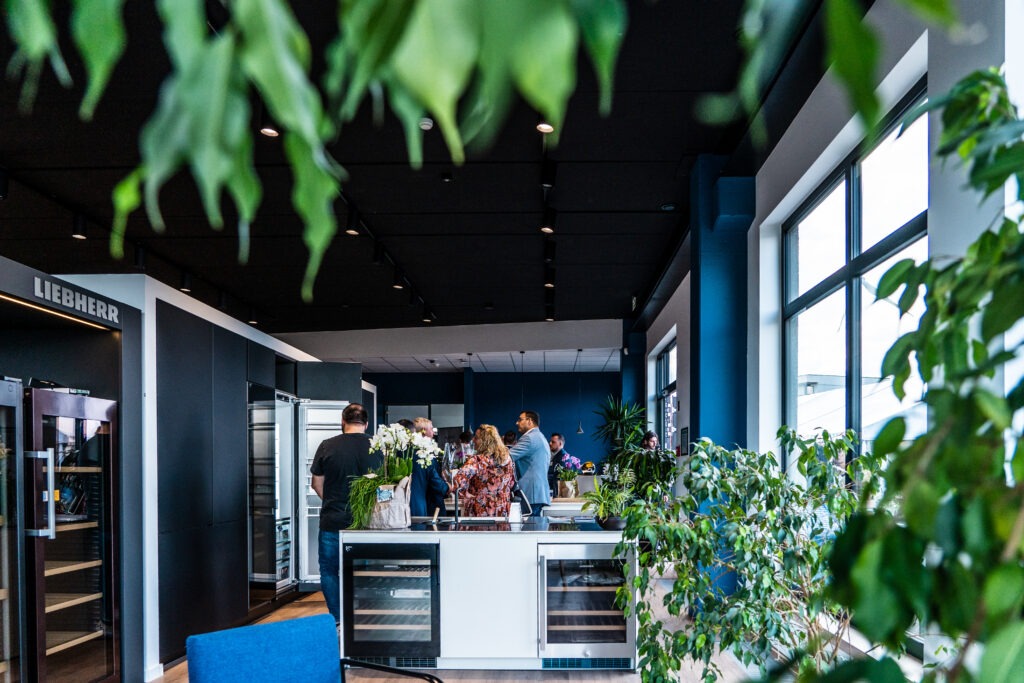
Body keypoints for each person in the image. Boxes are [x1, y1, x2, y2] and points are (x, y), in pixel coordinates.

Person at [310, 403, 379, 625]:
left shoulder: (327, 445)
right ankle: (362, 617)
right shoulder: (377, 446)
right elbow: (386, 489)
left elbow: (316, 483)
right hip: (367, 523)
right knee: (364, 571)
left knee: (329, 570)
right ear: (366, 423)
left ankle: (338, 619)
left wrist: (332, 500)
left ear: (343, 421)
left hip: (332, 520)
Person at [452, 424, 516, 517]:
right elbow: (511, 483)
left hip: (480, 509)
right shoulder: (507, 460)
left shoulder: (477, 460)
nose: (473, 440)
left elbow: (458, 481)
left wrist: (466, 495)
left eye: (476, 438)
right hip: (502, 510)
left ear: (485, 441)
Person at [509, 410, 551, 514]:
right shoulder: (539, 436)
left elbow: (507, 457)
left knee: (530, 524)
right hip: (536, 493)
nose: (517, 423)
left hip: (531, 494)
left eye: (520, 420)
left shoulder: (529, 438)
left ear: (529, 421)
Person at [410, 417, 450, 516]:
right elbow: (433, 477)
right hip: (429, 502)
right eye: (431, 428)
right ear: (423, 431)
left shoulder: (410, 451)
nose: (433, 432)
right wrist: (446, 488)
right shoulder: (424, 453)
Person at [547, 433, 570, 497]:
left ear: (560, 443)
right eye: (550, 441)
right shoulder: (552, 455)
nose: (550, 443)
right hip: (552, 492)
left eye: (553, 442)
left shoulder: (563, 457)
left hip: (558, 494)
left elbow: (559, 477)